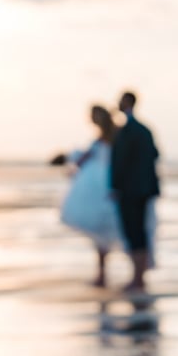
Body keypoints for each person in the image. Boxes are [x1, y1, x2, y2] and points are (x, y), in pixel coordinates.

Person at [58, 105, 123, 287]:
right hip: (102, 184)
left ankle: (109, 274)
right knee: (100, 233)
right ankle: (103, 274)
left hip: (104, 185)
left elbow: (87, 157)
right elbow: (85, 157)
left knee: (105, 231)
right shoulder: (109, 136)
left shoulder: (109, 137)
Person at [109, 90, 159, 293]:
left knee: (134, 232)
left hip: (131, 191)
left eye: (120, 100)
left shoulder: (127, 131)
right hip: (145, 189)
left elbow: (119, 162)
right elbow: (155, 155)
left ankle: (137, 278)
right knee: (141, 232)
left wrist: (115, 186)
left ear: (128, 102)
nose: (117, 103)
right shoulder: (145, 129)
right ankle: (140, 277)